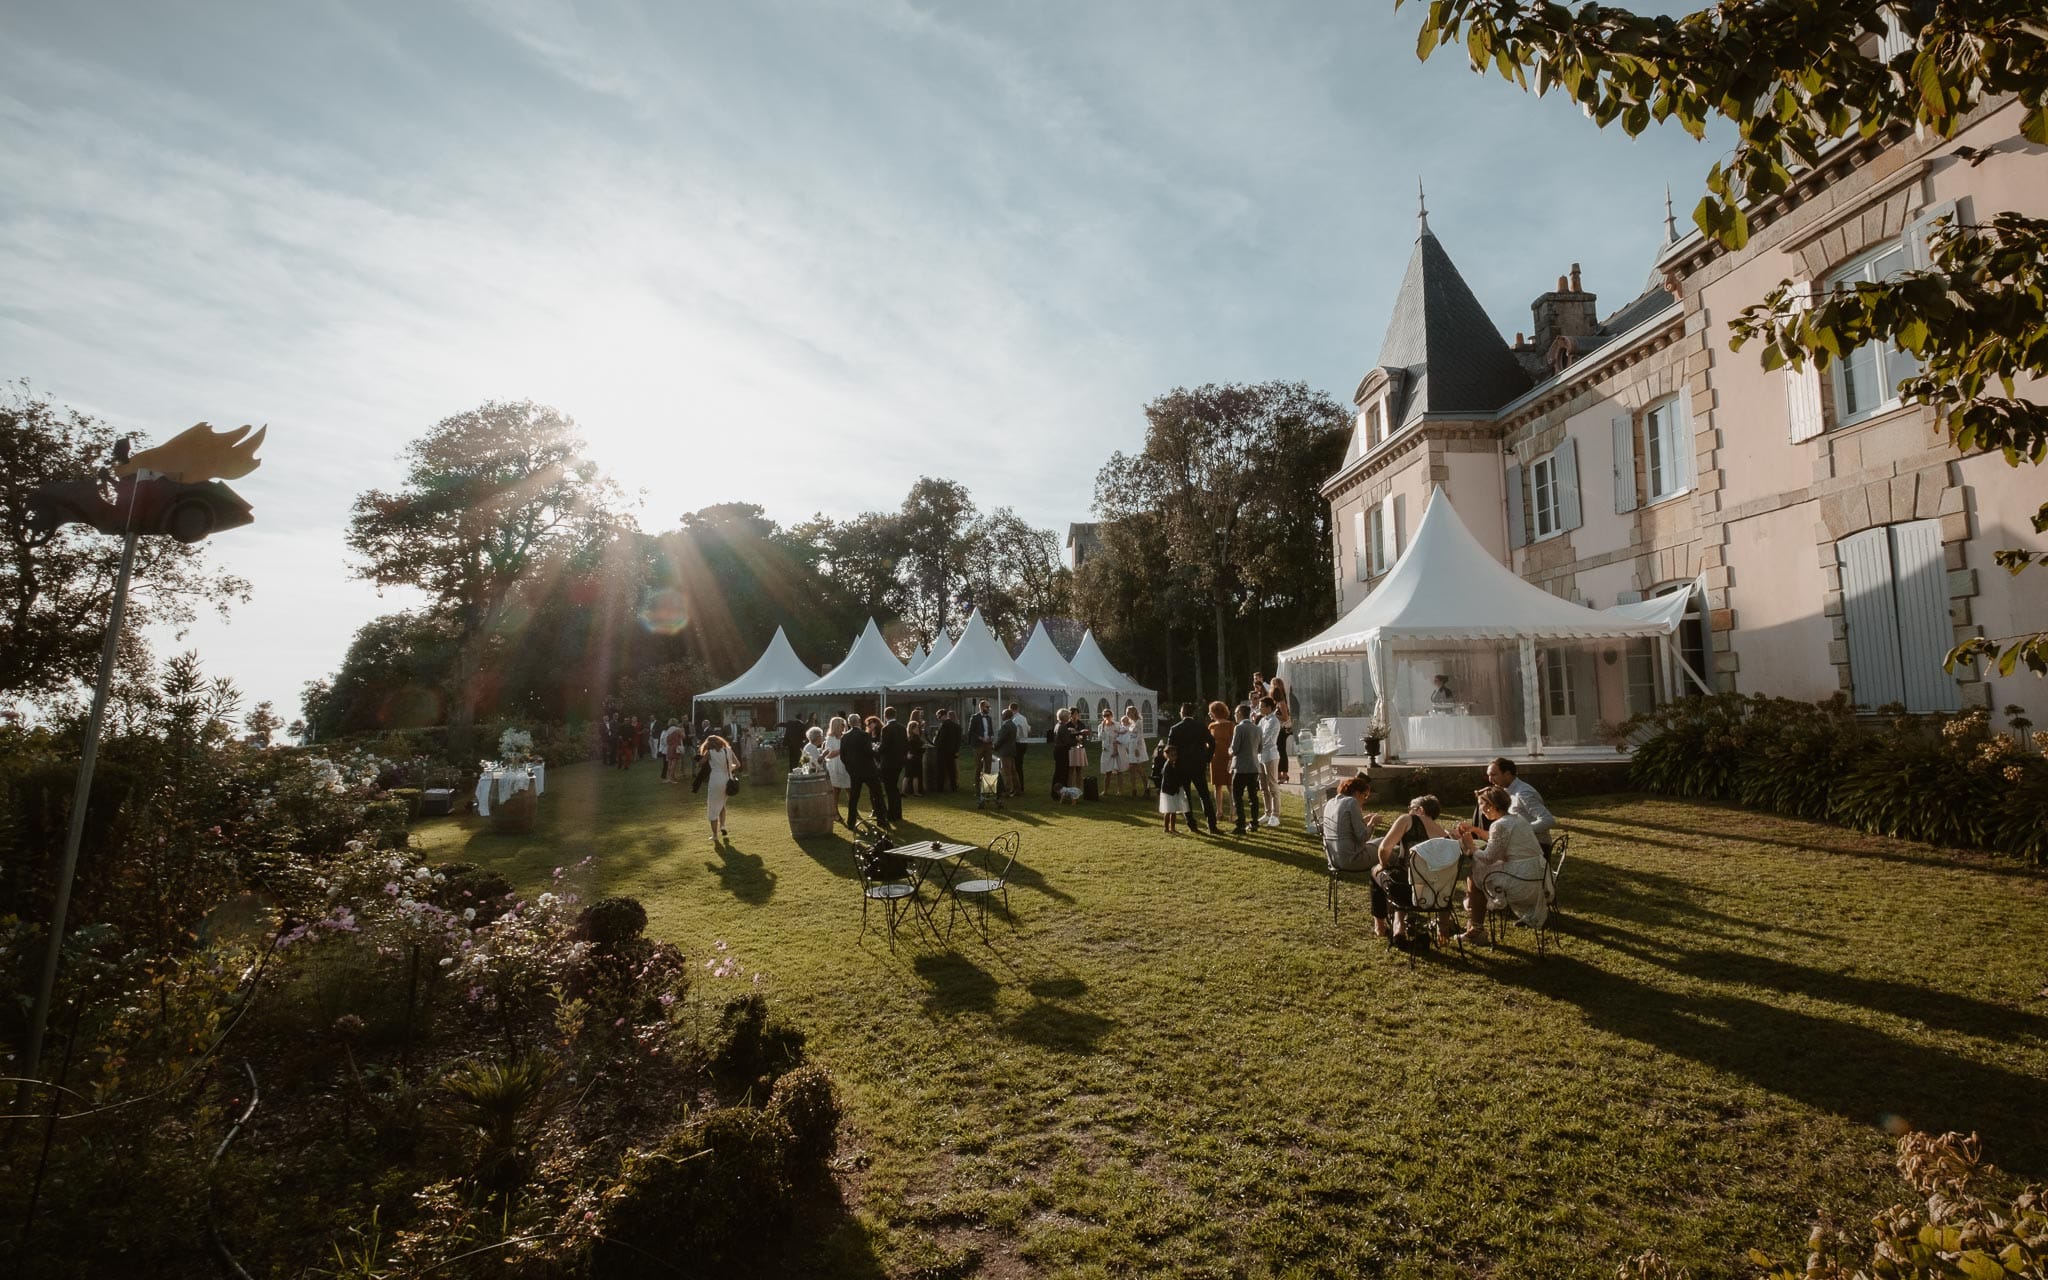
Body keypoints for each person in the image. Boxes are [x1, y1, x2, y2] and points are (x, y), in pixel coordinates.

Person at [1456, 785, 1543, 941]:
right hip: (1536, 874)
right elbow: (1497, 839)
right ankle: (1473, 917)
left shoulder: (1500, 824)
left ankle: (1476, 929)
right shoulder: (1516, 818)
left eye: (1481, 805)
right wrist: (1475, 830)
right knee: (1478, 875)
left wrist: (1471, 846)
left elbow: (1489, 857)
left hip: (1521, 881)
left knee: (1474, 879)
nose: (1480, 809)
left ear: (1490, 805)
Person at [1375, 793, 1449, 944]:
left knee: (1376, 873)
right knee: (1405, 874)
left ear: (1420, 810)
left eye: (1411, 808)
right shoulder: (1444, 835)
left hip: (1408, 891)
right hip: (1436, 894)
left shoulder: (1407, 820)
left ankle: (1382, 926)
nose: (1408, 811)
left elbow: (1384, 848)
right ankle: (1440, 928)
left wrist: (1382, 865)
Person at [1476, 756, 1557, 852]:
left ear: (1507, 774)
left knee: (1487, 860)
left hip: (1537, 846)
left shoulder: (1523, 793)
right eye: (1488, 775)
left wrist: (1519, 831)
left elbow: (1548, 820)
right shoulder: (1506, 790)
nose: (1490, 780)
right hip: (1520, 843)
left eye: (1493, 775)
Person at [1165, 703, 1219, 832]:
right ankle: (1212, 825)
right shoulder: (1200, 726)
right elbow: (1211, 742)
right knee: (1204, 795)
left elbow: (1169, 748)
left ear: (1182, 713)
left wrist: (1173, 761)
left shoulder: (1175, 728)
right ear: (1193, 713)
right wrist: (1207, 757)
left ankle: (1191, 824)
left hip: (1181, 766)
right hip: (1198, 764)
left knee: (1186, 795)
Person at [1321, 773, 1380, 872]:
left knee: (1383, 840)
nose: (1365, 800)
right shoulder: (1351, 802)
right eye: (1365, 796)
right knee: (1389, 849)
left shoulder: (1330, 802)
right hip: (1352, 859)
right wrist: (1373, 822)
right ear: (1357, 793)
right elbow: (1363, 836)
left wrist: (1364, 820)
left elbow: (1342, 826)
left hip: (1334, 859)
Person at [841, 714, 884, 828]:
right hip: (868, 770)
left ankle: (851, 822)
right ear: (859, 722)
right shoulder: (865, 735)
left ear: (849, 723)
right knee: (877, 794)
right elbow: (869, 752)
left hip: (854, 772)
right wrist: (876, 752)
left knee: (854, 798)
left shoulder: (845, 737)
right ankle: (881, 820)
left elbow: (843, 756)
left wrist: (849, 768)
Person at [1229, 702, 1264, 833]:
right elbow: (1260, 748)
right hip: (1254, 766)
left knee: (1237, 796)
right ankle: (1254, 823)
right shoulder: (1257, 729)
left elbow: (1235, 749)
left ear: (1239, 714)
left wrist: (1229, 751)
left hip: (1241, 767)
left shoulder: (1239, 728)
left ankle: (1241, 824)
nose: (1234, 716)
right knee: (1253, 797)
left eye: (1235, 713)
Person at [700, 733, 739, 842]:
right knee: (722, 804)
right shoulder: (728, 750)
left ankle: (714, 835)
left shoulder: (710, 752)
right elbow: (738, 764)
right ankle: (722, 826)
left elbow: (701, 763)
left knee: (713, 807)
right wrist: (729, 768)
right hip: (727, 779)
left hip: (716, 780)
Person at [1256, 696, 1283, 828]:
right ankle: (1267, 812)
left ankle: (1275, 815)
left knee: (1272, 785)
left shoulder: (1274, 721)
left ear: (1268, 707)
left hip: (1270, 756)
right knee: (1263, 786)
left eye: (1261, 706)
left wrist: (1256, 745)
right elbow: (1257, 734)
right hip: (1260, 756)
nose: (1259, 708)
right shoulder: (1262, 720)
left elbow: (1266, 738)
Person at [877, 705, 908, 822]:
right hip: (899, 762)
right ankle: (898, 813)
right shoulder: (902, 728)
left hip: (888, 762)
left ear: (885, 716)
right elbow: (905, 744)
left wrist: (877, 749)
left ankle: (892, 814)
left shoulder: (886, 729)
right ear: (895, 715)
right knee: (894, 787)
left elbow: (884, 747)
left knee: (890, 789)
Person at [822, 716, 851, 817]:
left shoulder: (845, 736)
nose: (843, 727)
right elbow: (828, 754)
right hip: (835, 766)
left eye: (844, 725)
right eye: (841, 725)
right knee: (836, 790)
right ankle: (835, 812)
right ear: (836, 726)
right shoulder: (830, 738)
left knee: (850, 789)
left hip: (846, 766)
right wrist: (841, 750)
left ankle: (853, 811)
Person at [1155, 742, 1187, 833]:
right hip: (1168, 791)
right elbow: (1169, 780)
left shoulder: (1173, 764)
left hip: (1173, 791)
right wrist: (1177, 785)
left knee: (1173, 811)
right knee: (1168, 810)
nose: (1174, 756)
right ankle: (1166, 828)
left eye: (1175, 754)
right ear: (1167, 755)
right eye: (1172, 754)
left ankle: (1172, 828)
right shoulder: (1167, 766)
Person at [1120, 706, 1150, 798]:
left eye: (1129, 712)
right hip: (1131, 746)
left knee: (1138, 768)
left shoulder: (1139, 722)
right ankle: (1134, 789)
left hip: (1138, 747)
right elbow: (1129, 735)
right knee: (1131, 769)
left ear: (1134, 712)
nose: (1127, 714)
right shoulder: (1131, 723)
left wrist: (1136, 748)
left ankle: (1147, 789)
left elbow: (1139, 736)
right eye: (1126, 712)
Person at [1270, 675, 1294, 784]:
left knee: (1282, 751)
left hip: (1282, 729)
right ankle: (1279, 773)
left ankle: (1284, 774)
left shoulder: (1281, 702)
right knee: (1279, 751)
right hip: (1277, 729)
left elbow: (1285, 717)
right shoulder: (1276, 702)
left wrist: (1274, 716)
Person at [1207, 701, 1233, 799]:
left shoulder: (1230, 725)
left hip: (1228, 757)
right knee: (1217, 786)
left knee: (1230, 785)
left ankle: (1233, 811)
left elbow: (1233, 742)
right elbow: (1208, 743)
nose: (1209, 713)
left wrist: (1232, 758)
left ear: (1216, 712)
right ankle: (1219, 811)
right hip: (1215, 758)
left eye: (1211, 711)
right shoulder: (1211, 726)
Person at [1049, 707, 1078, 799]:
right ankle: (1060, 793)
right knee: (1062, 773)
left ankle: (1056, 792)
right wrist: (1076, 741)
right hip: (1062, 751)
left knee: (1058, 772)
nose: (1069, 718)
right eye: (1068, 716)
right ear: (1065, 717)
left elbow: (1065, 736)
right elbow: (1067, 741)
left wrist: (1075, 733)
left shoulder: (1058, 725)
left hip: (1057, 750)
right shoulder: (1063, 727)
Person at [935, 708, 963, 792]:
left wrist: (936, 743)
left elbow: (940, 740)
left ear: (942, 715)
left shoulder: (943, 725)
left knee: (941, 770)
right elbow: (958, 740)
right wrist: (956, 750)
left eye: (938, 716)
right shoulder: (956, 726)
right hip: (952, 751)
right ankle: (953, 787)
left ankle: (940, 788)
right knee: (952, 770)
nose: (938, 718)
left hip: (943, 751)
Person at [993, 708, 1020, 796]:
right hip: (1011, 750)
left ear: (1006, 715)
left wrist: (995, 747)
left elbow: (1001, 739)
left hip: (1005, 752)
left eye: (1002, 714)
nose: (1001, 716)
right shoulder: (1013, 725)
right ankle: (1017, 789)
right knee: (1013, 771)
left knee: (1006, 772)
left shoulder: (1006, 726)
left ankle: (1008, 790)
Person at [967, 700, 995, 784]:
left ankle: (987, 785)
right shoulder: (975, 717)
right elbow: (970, 731)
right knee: (978, 765)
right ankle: (977, 783)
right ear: (982, 707)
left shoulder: (989, 718)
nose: (989, 708)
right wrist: (980, 738)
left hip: (988, 744)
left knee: (988, 765)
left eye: (989, 707)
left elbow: (991, 730)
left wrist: (991, 737)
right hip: (979, 745)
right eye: (987, 707)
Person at [1097, 707, 1123, 795]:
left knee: (1119, 770)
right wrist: (1103, 727)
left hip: (1116, 749)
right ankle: (1105, 790)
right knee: (1107, 771)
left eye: (1108, 715)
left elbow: (1121, 735)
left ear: (1111, 715)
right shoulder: (1101, 726)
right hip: (1106, 750)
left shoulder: (1117, 724)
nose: (1106, 717)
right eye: (1104, 715)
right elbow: (1100, 737)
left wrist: (1117, 746)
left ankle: (1119, 791)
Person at [1008, 702, 1030, 791]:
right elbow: (1029, 729)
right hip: (1025, 742)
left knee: (1016, 766)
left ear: (1011, 709)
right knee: (1019, 765)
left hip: (1018, 743)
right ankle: (1021, 786)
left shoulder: (1015, 720)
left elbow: (1015, 734)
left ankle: (1018, 786)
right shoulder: (1024, 718)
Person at [904, 709, 926, 798]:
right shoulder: (916, 738)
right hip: (915, 758)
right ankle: (916, 791)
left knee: (907, 776)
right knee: (915, 776)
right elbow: (920, 748)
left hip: (909, 758)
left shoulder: (908, 738)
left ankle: (904, 791)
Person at [662, 720, 687, 784]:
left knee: (669, 763)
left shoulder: (668, 730)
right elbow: (683, 737)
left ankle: (668, 777)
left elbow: (665, 740)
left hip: (669, 747)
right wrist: (683, 731)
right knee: (674, 762)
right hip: (676, 747)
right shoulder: (678, 730)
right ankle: (671, 778)